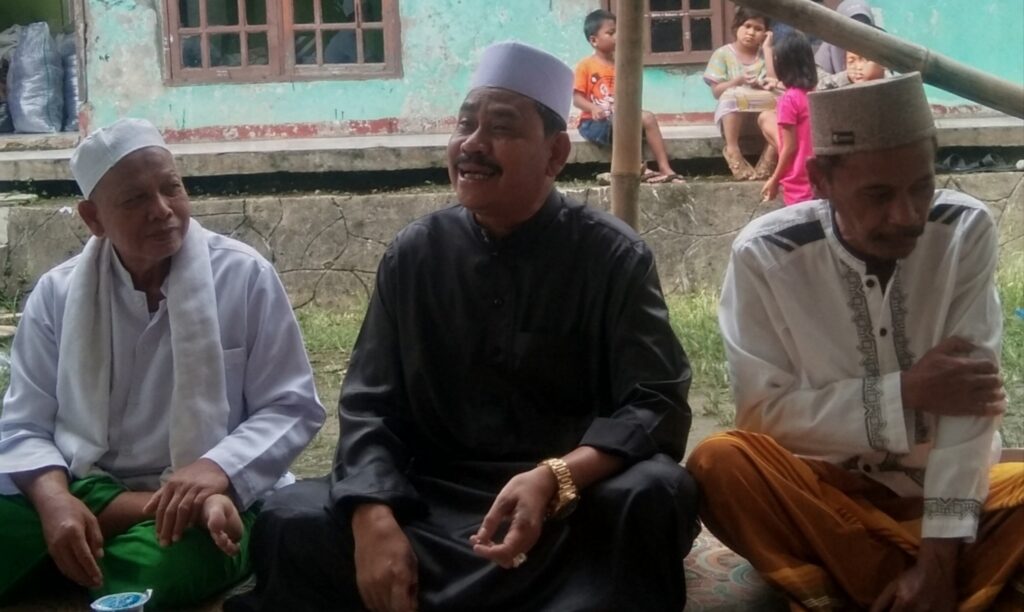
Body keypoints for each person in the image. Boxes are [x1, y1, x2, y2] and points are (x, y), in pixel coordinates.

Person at [227, 41, 700, 612]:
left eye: (499, 127)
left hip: (564, 507)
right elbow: (370, 405)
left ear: (554, 154)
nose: (472, 144)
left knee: (655, 494)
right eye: (464, 124)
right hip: (430, 501)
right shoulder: (415, 254)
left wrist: (556, 477)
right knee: (290, 518)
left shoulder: (612, 257)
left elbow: (656, 403)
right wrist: (373, 516)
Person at [687, 73, 1024, 610]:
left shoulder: (964, 231)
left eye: (921, 187)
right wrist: (905, 393)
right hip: (824, 494)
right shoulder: (765, 256)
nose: (907, 215)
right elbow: (764, 418)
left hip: (953, 500)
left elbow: (970, 405)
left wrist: (935, 560)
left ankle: (880, 587)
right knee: (719, 464)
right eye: (878, 195)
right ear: (820, 180)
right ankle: (951, 589)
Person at [0, 118, 326, 609]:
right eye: (135, 199)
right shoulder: (57, 293)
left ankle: (78, 556)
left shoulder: (243, 276)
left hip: (210, 497)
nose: (162, 210)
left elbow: (291, 405)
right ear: (93, 218)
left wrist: (215, 467)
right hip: (87, 486)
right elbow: (25, 423)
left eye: (171, 188)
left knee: (157, 567)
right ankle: (86, 536)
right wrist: (54, 501)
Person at [574, 9, 685, 184]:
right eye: (611, 33)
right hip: (593, 123)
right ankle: (636, 166)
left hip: (621, 117)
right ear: (594, 40)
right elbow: (577, 99)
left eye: (618, 31)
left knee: (648, 117)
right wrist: (593, 108)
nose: (617, 36)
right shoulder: (585, 66)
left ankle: (665, 167)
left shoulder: (622, 64)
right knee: (621, 121)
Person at [704, 7, 781, 181]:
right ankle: (732, 149)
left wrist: (768, 50)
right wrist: (738, 81)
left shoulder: (767, 54)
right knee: (731, 96)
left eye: (758, 29)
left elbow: (774, 82)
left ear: (766, 33)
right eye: (747, 26)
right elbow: (716, 92)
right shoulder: (722, 54)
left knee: (782, 99)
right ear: (737, 27)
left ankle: (771, 152)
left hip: (763, 119)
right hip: (735, 120)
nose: (751, 33)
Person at [758, 32, 817, 205]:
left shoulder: (789, 100)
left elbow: (790, 147)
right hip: (817, 178)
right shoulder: (813, 94)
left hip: (798, 184)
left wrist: (775, 179)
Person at [815, 0, 875, 75]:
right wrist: (847, 76)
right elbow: (817, 78)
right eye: (851, 27)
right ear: (840, 27)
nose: (857, 33)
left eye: (863, 25)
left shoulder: (878, 44)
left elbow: (888, 72)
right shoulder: (829, 47)